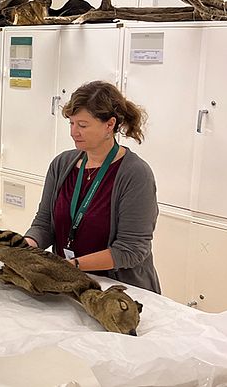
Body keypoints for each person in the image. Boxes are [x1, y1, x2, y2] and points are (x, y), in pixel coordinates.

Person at [24, 81, 160, 293]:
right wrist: (25, 247)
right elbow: (44, 224)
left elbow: (130, 250)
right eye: (71, 124)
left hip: (119, 291)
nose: (74, 132)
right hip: (71, 284)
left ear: (109, 125)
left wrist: (72, 266)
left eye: (83, 125)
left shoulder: (136, 175)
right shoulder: (61, 165)